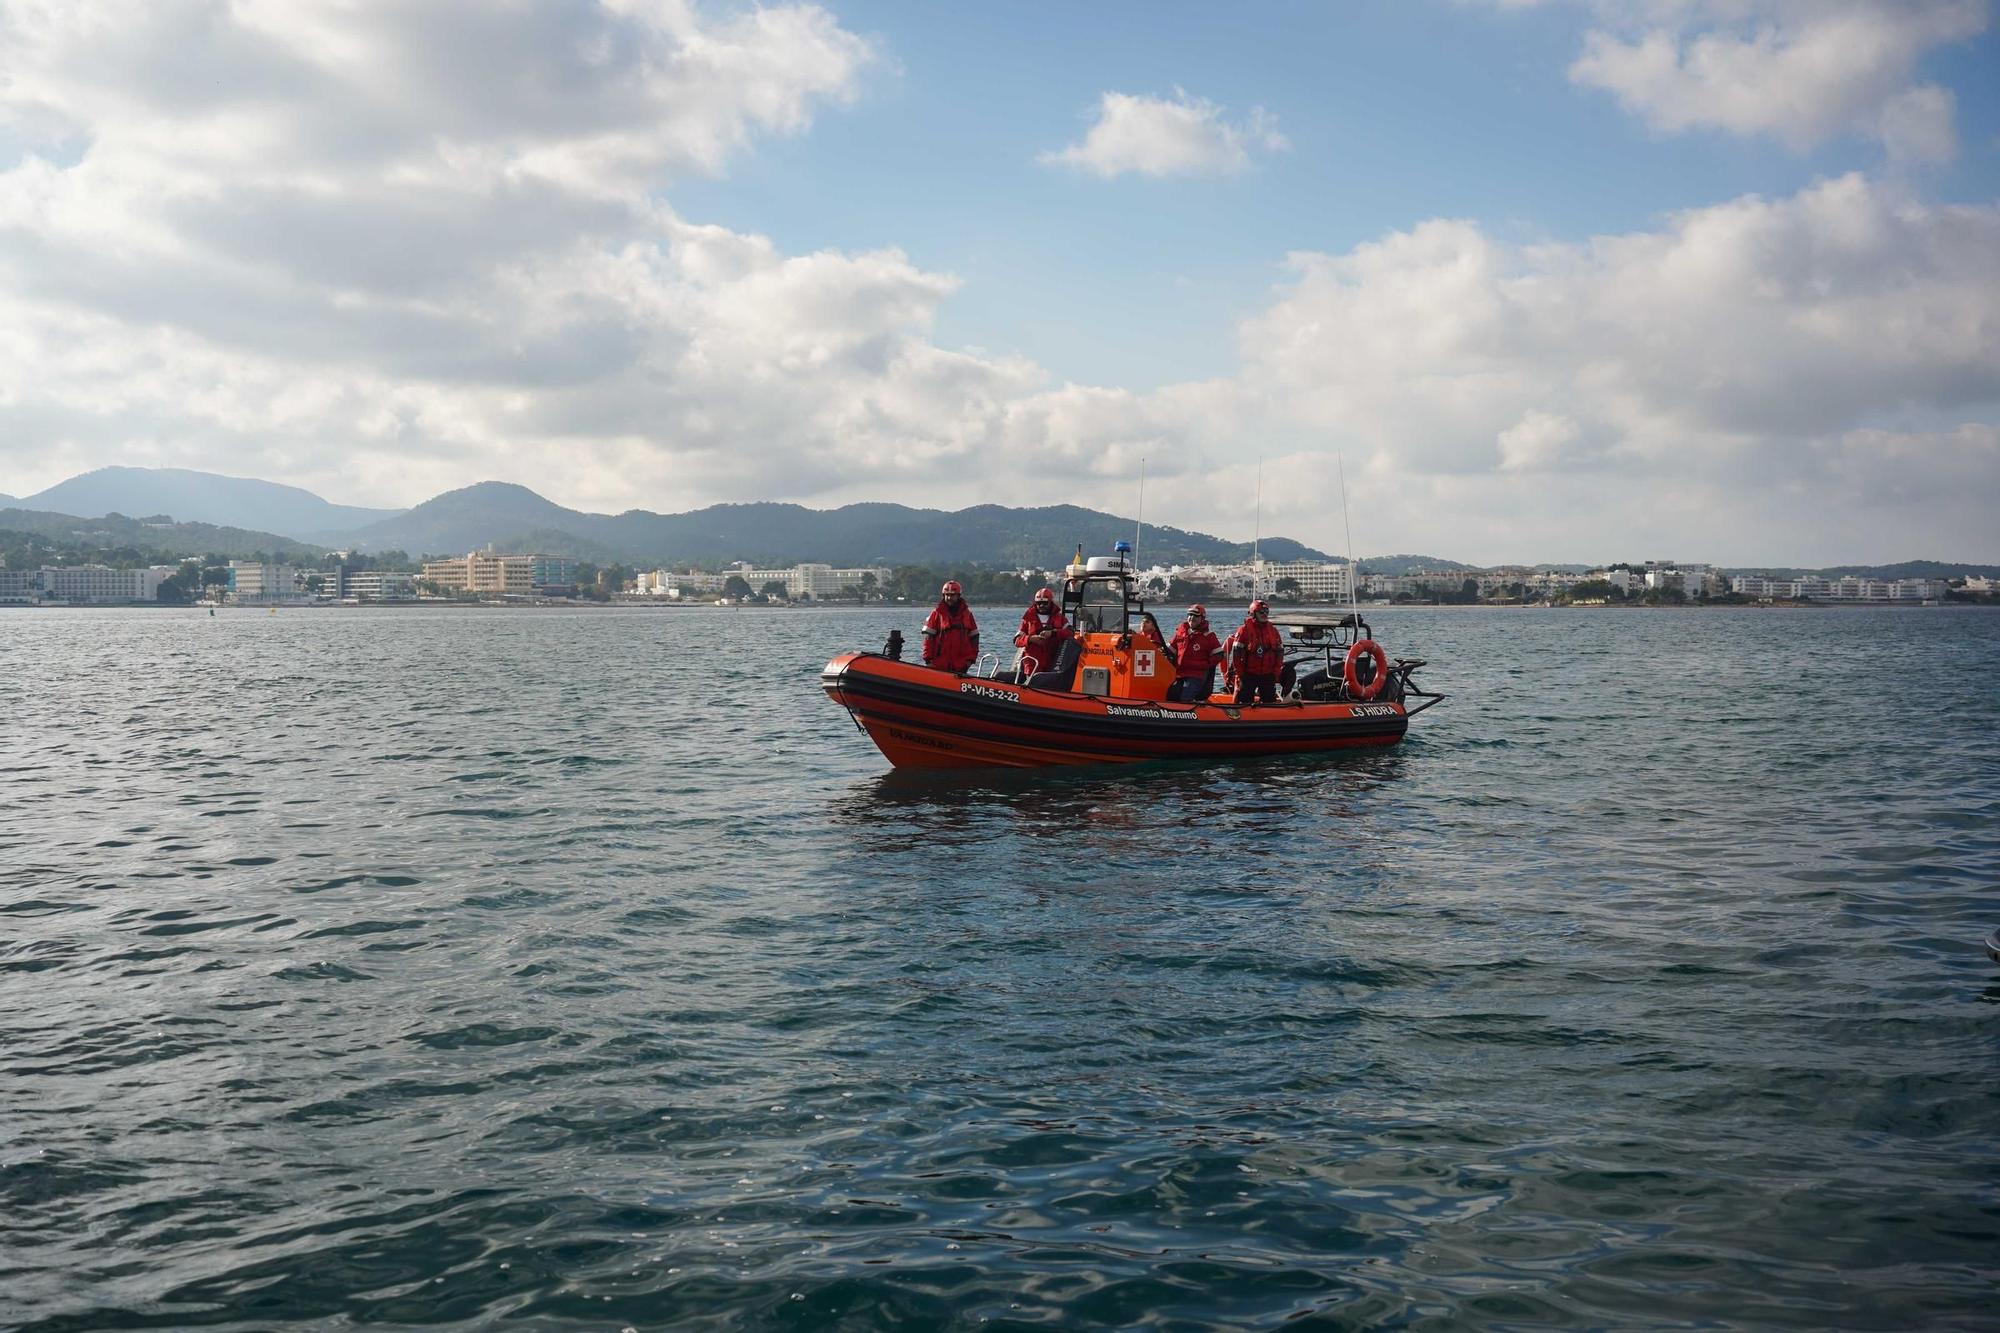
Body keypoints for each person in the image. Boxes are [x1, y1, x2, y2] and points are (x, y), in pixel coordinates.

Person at [1228, 599, 1284, 704]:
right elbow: (1236, 654)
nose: (1264, 614)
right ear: (1253, 614)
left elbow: (1280, 652)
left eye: (1266, 612)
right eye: (1261, 612)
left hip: (1268, 674)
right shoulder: (1244, 630)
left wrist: (1276, 672)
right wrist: (1240, 674)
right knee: (1244, 701)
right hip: (1248, 674)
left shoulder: (1273, 631)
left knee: (1269, 702)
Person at [1167, 604, 1223, 702]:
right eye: (1190, 615)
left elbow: (1219, 655)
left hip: (1196, 675)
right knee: (1171, 694)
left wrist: (1205, 664)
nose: (1192, 618)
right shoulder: (1181, 633)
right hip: (1179, 673)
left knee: (1185, 697)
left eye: (1195, 616)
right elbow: (1169, 650)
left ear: (1202, 618)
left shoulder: (1208, 636)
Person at [921, 580, 980, 674]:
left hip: (961, 665)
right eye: (946, 595)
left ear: (958, 596)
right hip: (938, 664)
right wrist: (928, 660)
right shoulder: (936, 614)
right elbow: (927, 638)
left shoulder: (967, 615)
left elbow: (974, 639)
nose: (949, 598)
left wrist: (970, 660)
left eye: (952, 595)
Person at [1013, 586, 1072, 676]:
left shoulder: (1060, 618)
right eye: (1039, 603)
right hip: (1032, 664)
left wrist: (1053, 633)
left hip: (1053, 661)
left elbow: (1070, 632)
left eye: (1045, 603)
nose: (1041, 606)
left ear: (1050, 602)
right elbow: (1017, 641)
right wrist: (1030, 639)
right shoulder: (1028, 619)